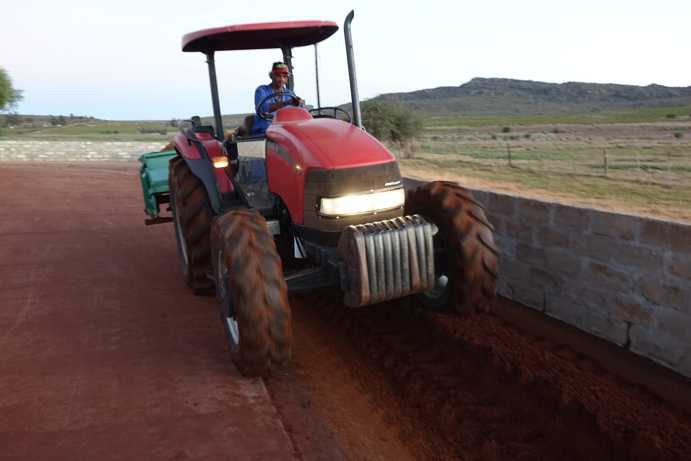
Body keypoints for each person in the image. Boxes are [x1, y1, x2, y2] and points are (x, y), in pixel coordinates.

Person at [251, 62, 304, 135]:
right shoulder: (261, 90)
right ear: (271, 76)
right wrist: (287, 103)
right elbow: (262, 108)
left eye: (284, 76)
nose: (282, 79)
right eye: (278, 76)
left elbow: (297, 110)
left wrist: (300, 104)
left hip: (285, 130)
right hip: (264, 131)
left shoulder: (290, 94)